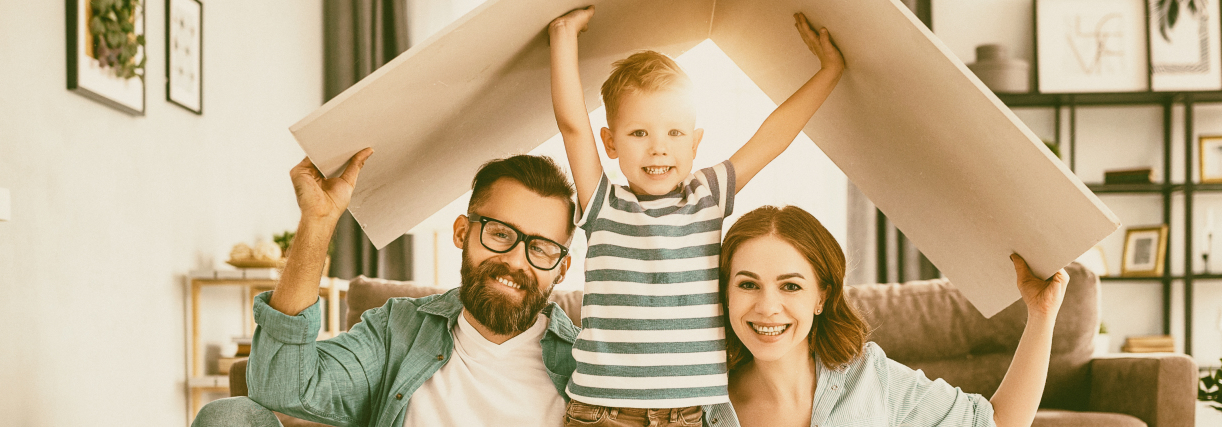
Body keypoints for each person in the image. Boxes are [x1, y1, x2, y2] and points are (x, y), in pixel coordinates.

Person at [548, 7, 846, 426]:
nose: (658, 148)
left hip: (687, 416)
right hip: (602, 413)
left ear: (695, 143)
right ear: (611, 143)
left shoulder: (707, 195)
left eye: (674, 133)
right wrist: (564, 36)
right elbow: (572, 126)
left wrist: (829, 70)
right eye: (639, 133)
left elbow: (772, 137)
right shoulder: (603, 204)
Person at [192, 150, 583, 427]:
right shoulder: (399, 329)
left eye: (541, 249)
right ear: (462, 233)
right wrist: (318, 221)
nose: (516, 261)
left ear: (562, 269)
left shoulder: (588, 362)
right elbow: (282, 387)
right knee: (228, 418)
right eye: (500, 234)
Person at [704, 205, 1069, 427]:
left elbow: (995, 423)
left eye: (791, 287)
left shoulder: (869, 379)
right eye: (748, 285)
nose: (767, 307)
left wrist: (1041, 315)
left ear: (822, 296)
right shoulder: (698, 400)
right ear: (726, 293)